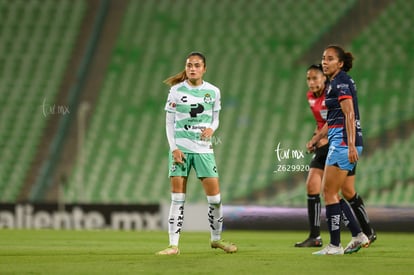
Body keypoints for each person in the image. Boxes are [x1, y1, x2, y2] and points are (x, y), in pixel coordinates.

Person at [156, 52, 237, 255]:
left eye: (197, 65)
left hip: (203, 150)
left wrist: (212, 129)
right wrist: (173, 148)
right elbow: (169, 122)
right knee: (177, 198)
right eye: (189, 65)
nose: (192, 68)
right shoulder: (175, 90)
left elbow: (216, 118)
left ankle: (216, 240)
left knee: (215, 199)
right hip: (181, 150)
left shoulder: (213, 91)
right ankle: (173, 245)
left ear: (204, 69)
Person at [295, 64, 376, 248]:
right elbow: (323, 122)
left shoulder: (332, 92)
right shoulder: (310, 98)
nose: (311, 82)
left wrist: (320, 138)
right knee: (316, 187)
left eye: (315, 77)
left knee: (343, 192)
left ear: (324, 78)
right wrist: (315, 139)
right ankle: (317, 236)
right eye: (308, 78)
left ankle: (364, 232)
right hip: (326, 145)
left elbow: (339, 118)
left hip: (339, 144)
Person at [311, 45, 370, 255]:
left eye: (330, 59)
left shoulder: (341, 81)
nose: (324, 62)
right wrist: (317, 137)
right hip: (341, 140)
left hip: (344, 142)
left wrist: (351, 145)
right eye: (323, 58)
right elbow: (334, 118)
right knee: (336, 192)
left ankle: (335, 245)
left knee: (328, 191)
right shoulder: (334, 82)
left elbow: (349, 114)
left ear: (341, 63)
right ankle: (358, 235)